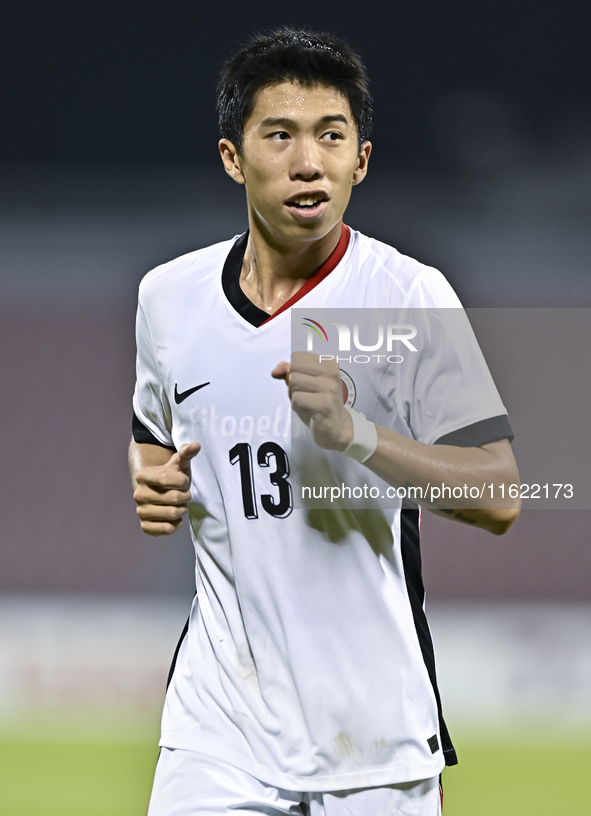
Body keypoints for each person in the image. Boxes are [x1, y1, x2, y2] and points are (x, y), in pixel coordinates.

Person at [129, 28, 520, 816]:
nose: (308, 161)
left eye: (330, 136)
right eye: (279, 135)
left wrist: (356, 436)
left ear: (360, 161)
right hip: (219, 732)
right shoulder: (168, 298)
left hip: (372, 743)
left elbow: (500, 493)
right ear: (232, 159)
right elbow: (150, 430)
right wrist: (150, 483)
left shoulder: (408, 298)